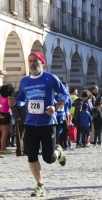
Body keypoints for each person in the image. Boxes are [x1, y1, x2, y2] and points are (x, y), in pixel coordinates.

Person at [8, 52, 69, 197]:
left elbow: (65, 95)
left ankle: (59, 152)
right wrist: (16, 103)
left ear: (42, 62)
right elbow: (22, 99)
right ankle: (40, 185)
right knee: (31, 155)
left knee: (48, 158)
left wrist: (55, 106)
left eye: (35, 61)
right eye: (30, 61)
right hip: (30, 123)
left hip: (48, 123)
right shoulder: (24, 81)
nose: (32, 64)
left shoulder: (50, 78)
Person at [0, 84, 15, 156]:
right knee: (5, 133)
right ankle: (3, 148)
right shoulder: (9, 98)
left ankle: (3, 147)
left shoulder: (0, 97)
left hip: (0, 114)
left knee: (2, 133)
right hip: (6, 114)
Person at [11, 89, 27, 156]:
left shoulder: (29, 92)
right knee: (20, 135)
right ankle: (19, 150)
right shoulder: (16, 93)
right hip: (21, 117)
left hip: (29, 118)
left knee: (27, 135)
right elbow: (14, 107)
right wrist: (17, 116)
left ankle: (26, 150)